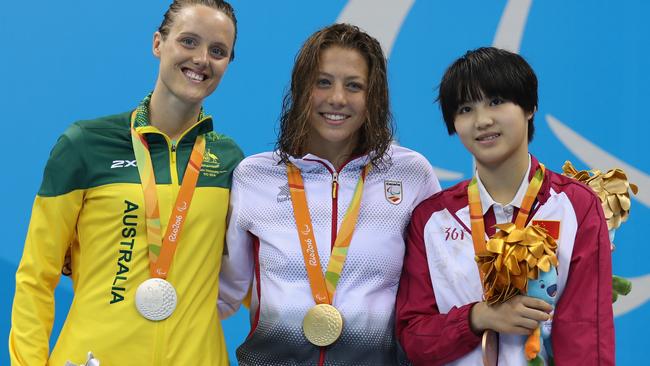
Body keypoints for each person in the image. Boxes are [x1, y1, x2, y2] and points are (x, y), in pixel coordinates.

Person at [9, 1, 243, 364]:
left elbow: (255, 276)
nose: (202, 59)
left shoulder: (230, 162)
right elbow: (36, 277)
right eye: (188, 41)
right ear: (157, 43)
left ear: (228, 63)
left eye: (218, 51)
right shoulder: (85, 144)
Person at [218, 23, 441, 365]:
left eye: (354, 86)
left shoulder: (412, 175)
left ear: (374, 97)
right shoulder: (254, 177)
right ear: (301, 89)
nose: (337, 98)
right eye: (323, 82)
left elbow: (436, 295)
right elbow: (223, 293)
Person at [395, 47, 615, 365]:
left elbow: (585, 337)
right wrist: (478, 317)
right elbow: (414, 338)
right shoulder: (432, 220)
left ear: (530, 107)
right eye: (466, 109)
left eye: (496, 102)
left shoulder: (576, 207)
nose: (482, 121)